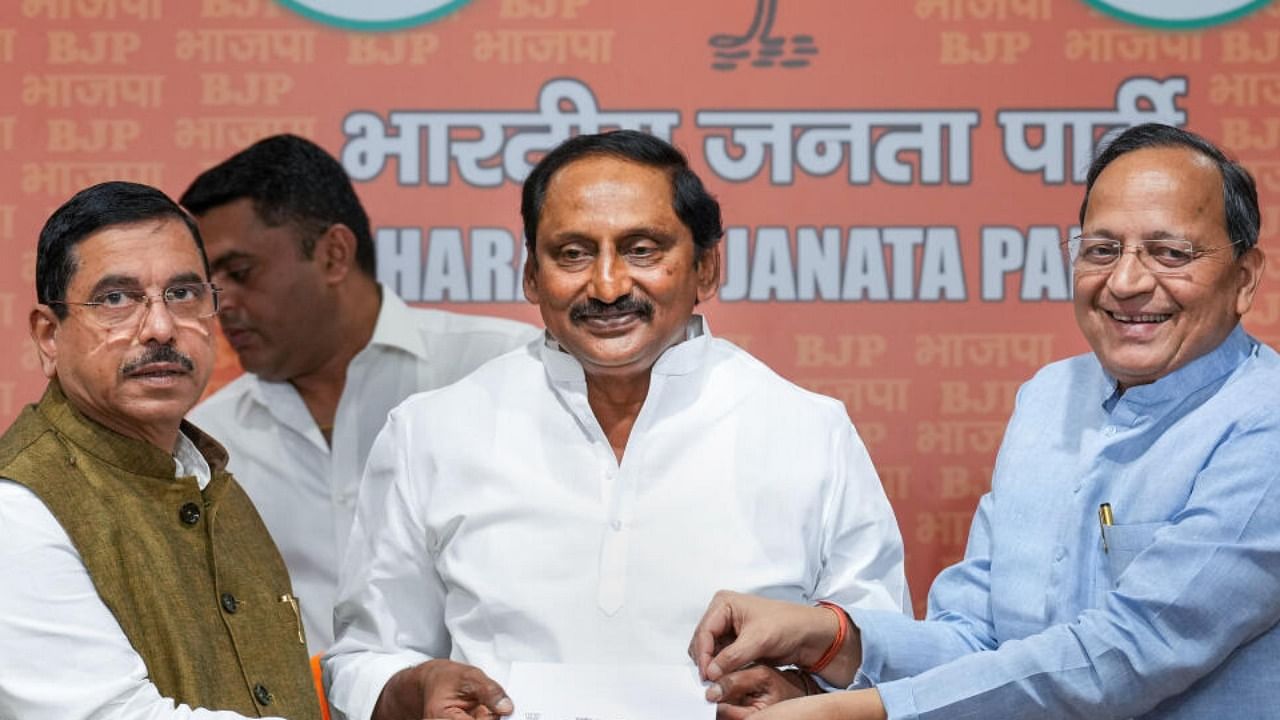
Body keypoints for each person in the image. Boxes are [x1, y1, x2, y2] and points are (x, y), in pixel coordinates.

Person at [689, 122, 1279, 719]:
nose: (1126, 282)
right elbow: (975, 640)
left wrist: (865, 713)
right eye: (1101, 250)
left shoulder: (1266, 423)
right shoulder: (1049, 399)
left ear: (1245, 278)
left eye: (1170, 253)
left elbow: (1123, 654)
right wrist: (829, 639)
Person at [322, 130, 910, 720]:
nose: (606, 286)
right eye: (572, 254)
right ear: (531, 276)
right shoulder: (431, 432)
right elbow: (363, 659)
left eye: (642, 249)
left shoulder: (809, 431)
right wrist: (415, 686)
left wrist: (807, 698)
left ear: (706, 269)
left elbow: (891, 661)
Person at [181, 134, 539, 652]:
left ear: (333, 255)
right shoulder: (206, 445)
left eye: (239, 274)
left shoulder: (506, 372)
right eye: (207, 284)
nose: (220, 304)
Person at [0, 181, 322, 720]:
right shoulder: (19, 510)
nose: (160, 327)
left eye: (184, 293)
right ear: (49, 336)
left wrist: (386, 693)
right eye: (116, 299)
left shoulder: (205, 477)